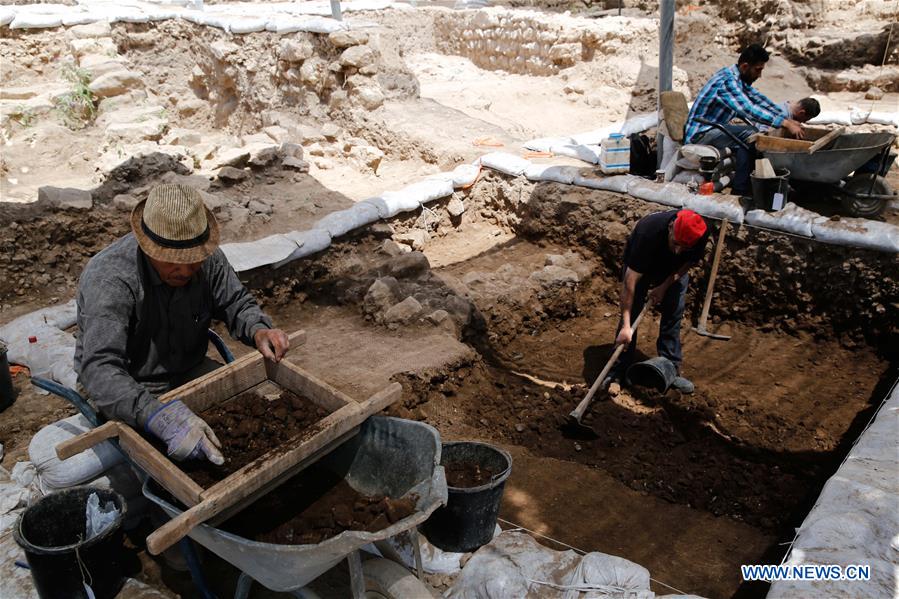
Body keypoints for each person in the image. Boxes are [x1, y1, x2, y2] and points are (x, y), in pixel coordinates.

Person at [74, 183, 290, 465]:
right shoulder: (110, 279)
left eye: (194, 261)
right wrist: (156, 416)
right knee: (175, 461)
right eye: (174, 261)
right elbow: (99, 368)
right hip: (132, 385)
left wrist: (258, 328)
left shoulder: (208, 259)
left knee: (261, 420)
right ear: (147, 246)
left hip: (189, 369)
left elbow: (235, 302)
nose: (186, 270)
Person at [607, 209, 710, 394]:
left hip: (673, 271)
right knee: (631, 312)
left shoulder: (699, 234)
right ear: (671, 228)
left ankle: (671, 367)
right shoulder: (648, 232)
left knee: (673, 313)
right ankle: (617, 371)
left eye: (684, 248)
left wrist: (665, 285)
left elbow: (688, 263)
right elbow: (629, 282)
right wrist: (627, 325)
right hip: (643, 267)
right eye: (676, 243)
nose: (679, 250)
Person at [684, 44, 806, 196]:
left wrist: (785, 118)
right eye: (758, 70)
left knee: (752, 136)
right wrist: (784, 123)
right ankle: (741, 189)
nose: (759, 75)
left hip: (713, 129)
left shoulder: (737, 78)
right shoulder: (728, 81)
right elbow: (748, 108)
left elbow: (759, 99)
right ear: (745, 66)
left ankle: (744, 182)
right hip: (701, 133)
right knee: (750, 135)